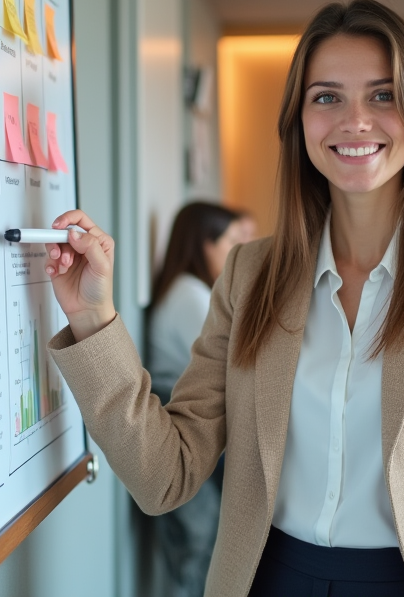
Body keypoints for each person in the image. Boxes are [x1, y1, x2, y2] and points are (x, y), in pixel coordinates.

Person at [40, 0, 404, 596]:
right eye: (327, 97)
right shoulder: (250, 273)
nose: (355, 120)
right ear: (299, 121)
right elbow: (165, 477)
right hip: (267, 578)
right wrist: (92, 317)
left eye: (383, 95)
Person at [146, 201, 247, 597]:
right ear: (206, 245)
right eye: (231, 242)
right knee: (199, 543)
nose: (237, 253)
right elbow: (233, 365)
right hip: (183, 428)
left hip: (182, 423)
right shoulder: (190, 295)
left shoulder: (189, 290)